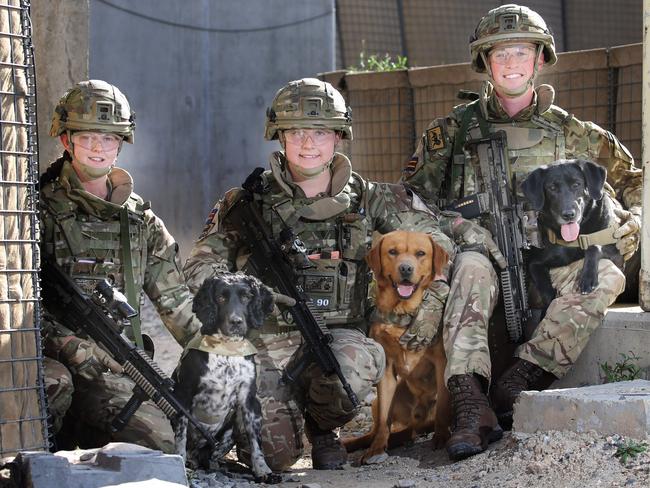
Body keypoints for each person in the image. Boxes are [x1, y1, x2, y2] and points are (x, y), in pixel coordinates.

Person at [183, 78, 500, 471]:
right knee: (274, 457)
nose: (308, 143)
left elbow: (435, 233)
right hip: (265, 344)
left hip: (337, 340)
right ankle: (281, 420)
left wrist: (435, 289)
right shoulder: (245, 203)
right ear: (279, 136)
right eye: (296, 131)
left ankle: (322, 429)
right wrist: (235, 291)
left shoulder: (371, 198)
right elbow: (199, 264)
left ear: (338, 137)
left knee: (358, 363)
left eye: (319, 132)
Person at [401, 4, 642, 461]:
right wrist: (463, 228)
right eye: (500, 54)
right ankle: (470, 404)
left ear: (540, 59)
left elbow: (635, 179)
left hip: (551, 261)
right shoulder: (452, 133)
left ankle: (518, 383)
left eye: (521, 52)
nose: (511, 64)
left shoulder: (573, 132)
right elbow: (410, 202)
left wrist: (636, 217)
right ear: (485, 64)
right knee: (471, 266)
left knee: (606, 274)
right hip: (484, 263)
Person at [40, 79, 201, 452]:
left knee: (159, 444)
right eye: (88, 136)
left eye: (109, 138)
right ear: (67, 141)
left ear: (121, 144)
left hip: (112, 364)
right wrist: (66, 343)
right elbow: (15, 303)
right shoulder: (37, 211)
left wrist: (216, 352)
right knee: (54, 386)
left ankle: (87, 433)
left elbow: (177, 304)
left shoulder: (138, 221)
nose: (98, 147)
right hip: (49, 361)